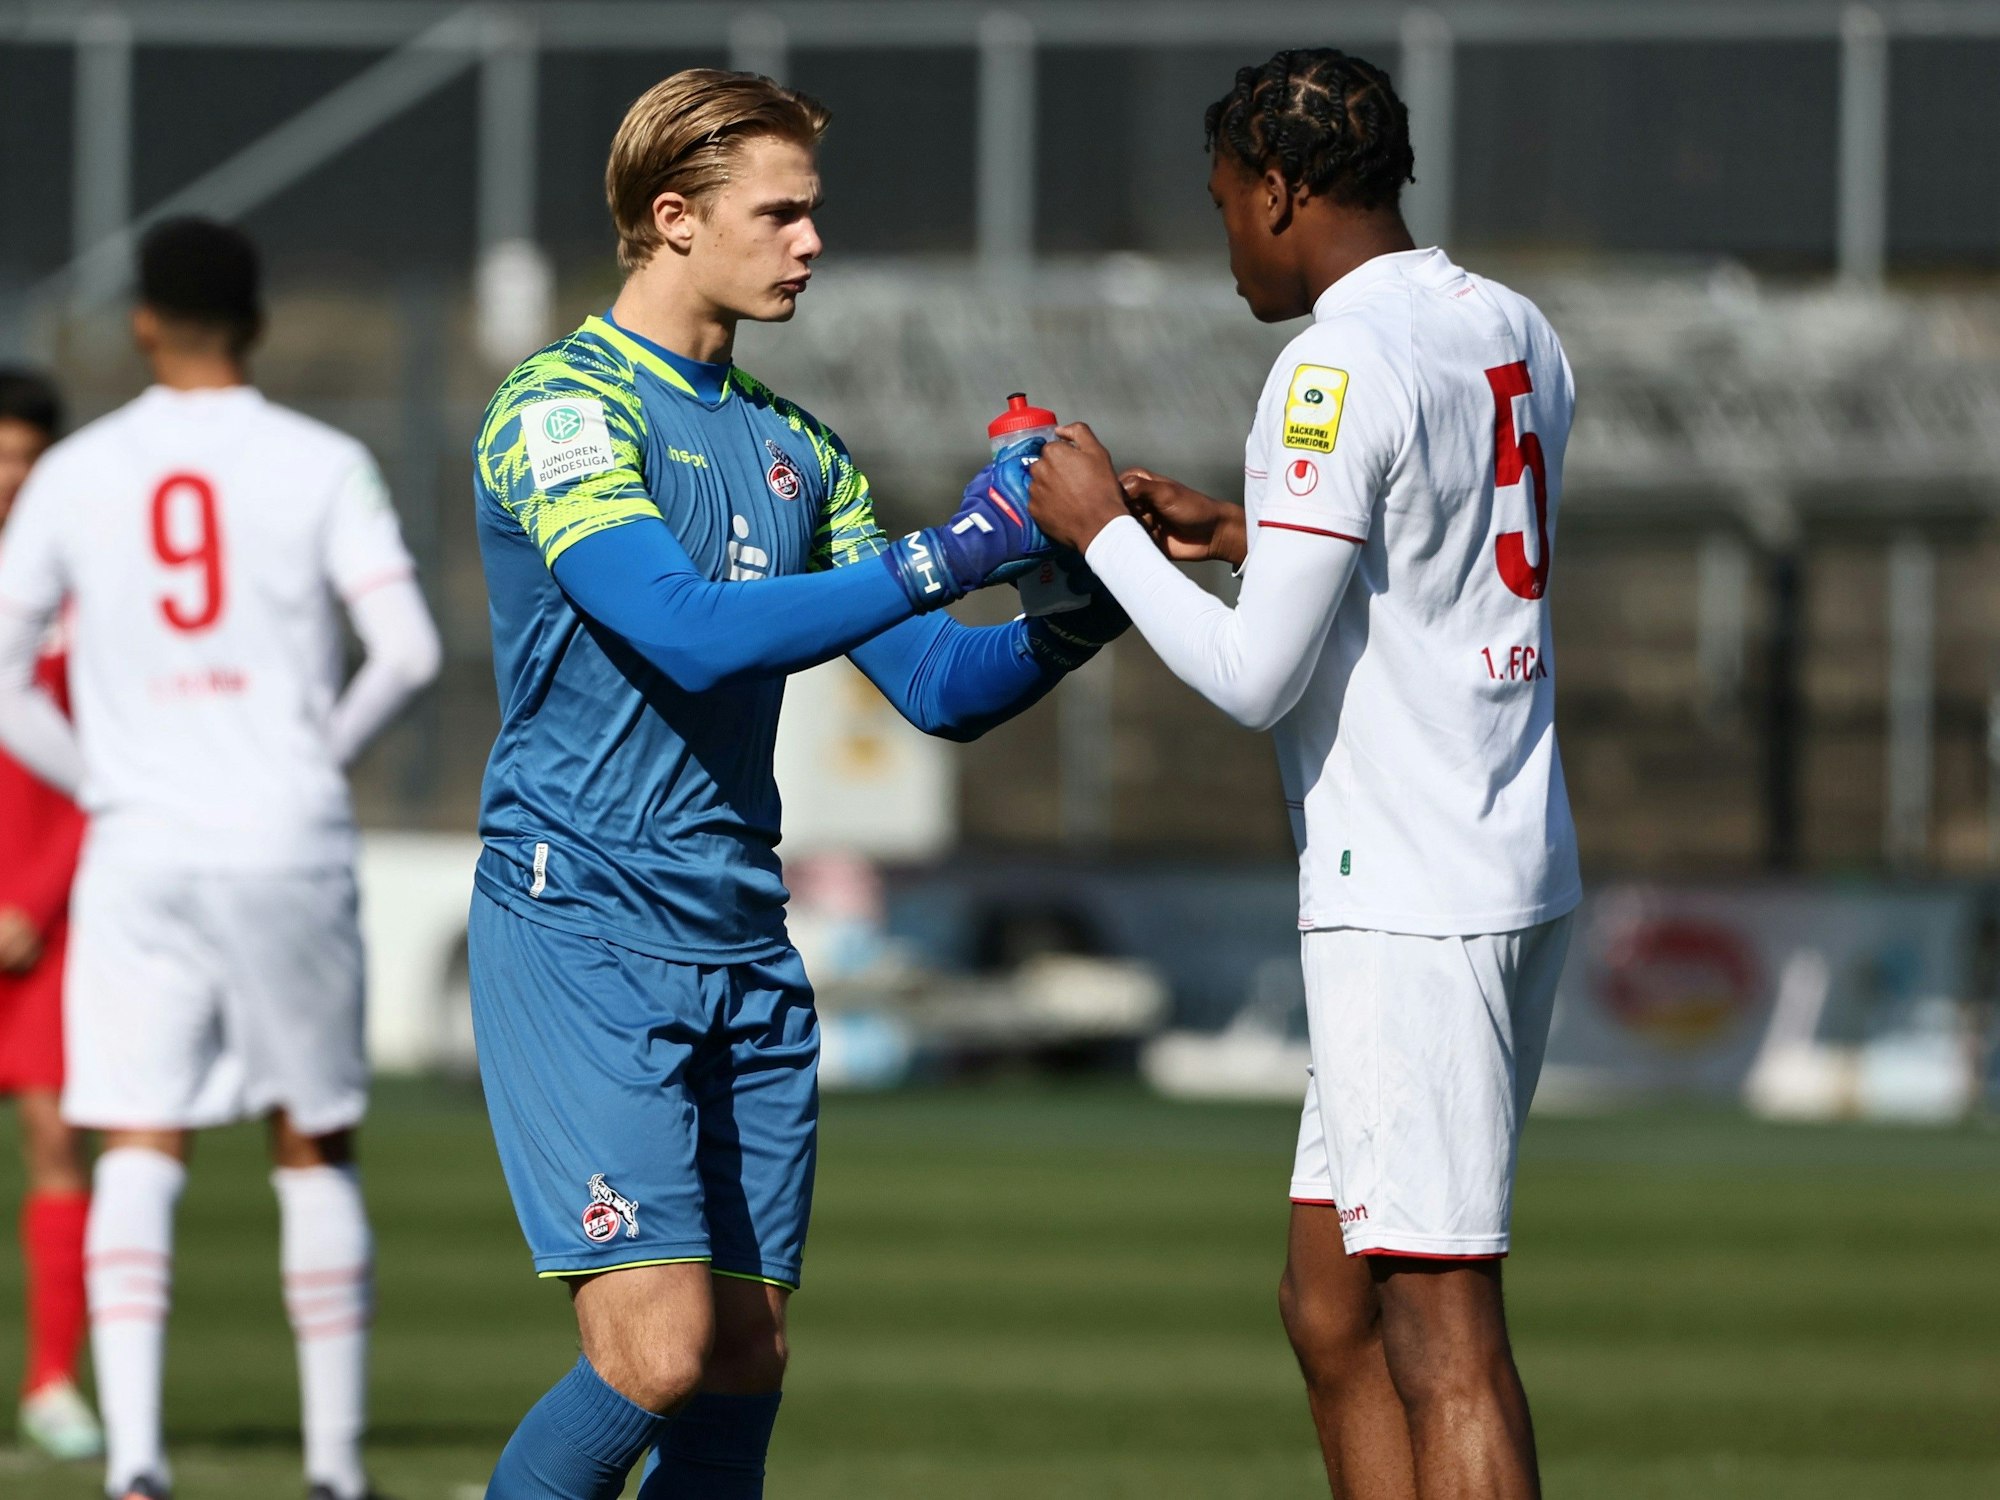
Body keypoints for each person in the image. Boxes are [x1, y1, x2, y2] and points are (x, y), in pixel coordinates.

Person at [469, 68, 1124, 1500]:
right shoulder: (560, 411)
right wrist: (954, 549)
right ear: (672, 217)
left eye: (811, 211)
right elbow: (682, 629)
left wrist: (1085, 601)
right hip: (582, 926)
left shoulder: (798, 449)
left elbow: (937, 687)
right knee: (655, 1352)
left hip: (740, 938)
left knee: (744, 1359)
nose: (810, 242)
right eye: (779, 213)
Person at [1029, 48, 1579, 1500]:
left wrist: (1103, 536)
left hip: (1408, 894)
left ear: (1277, 190)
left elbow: (1251, 678)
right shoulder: (1509, 323)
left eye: (1224, 203)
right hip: (1502, 847)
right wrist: (1244, 535)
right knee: (1327, 1305)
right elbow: (1436, 562)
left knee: (1443, 1335)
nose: (1225, 240)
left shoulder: (1328, 364)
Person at [0, 218, 443, 1500]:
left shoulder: (80, 470)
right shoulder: (320, 461)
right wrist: (315, 755)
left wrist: (108, 781)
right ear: (254, 321)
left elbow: (6, 672)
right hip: (283, 837)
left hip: (139, 848)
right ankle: (334, 1469)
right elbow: (409, 651)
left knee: (138, 1142)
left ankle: (136, 1463)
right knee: (313, 1138)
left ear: (144, 322)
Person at [0, 368, 103, 1461]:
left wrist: (34, 894)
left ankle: (50, 1381)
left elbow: (110, 754)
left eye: (26, 456)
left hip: (49, 912)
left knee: (56, 1138)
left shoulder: (83, 591)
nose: (10, 475)